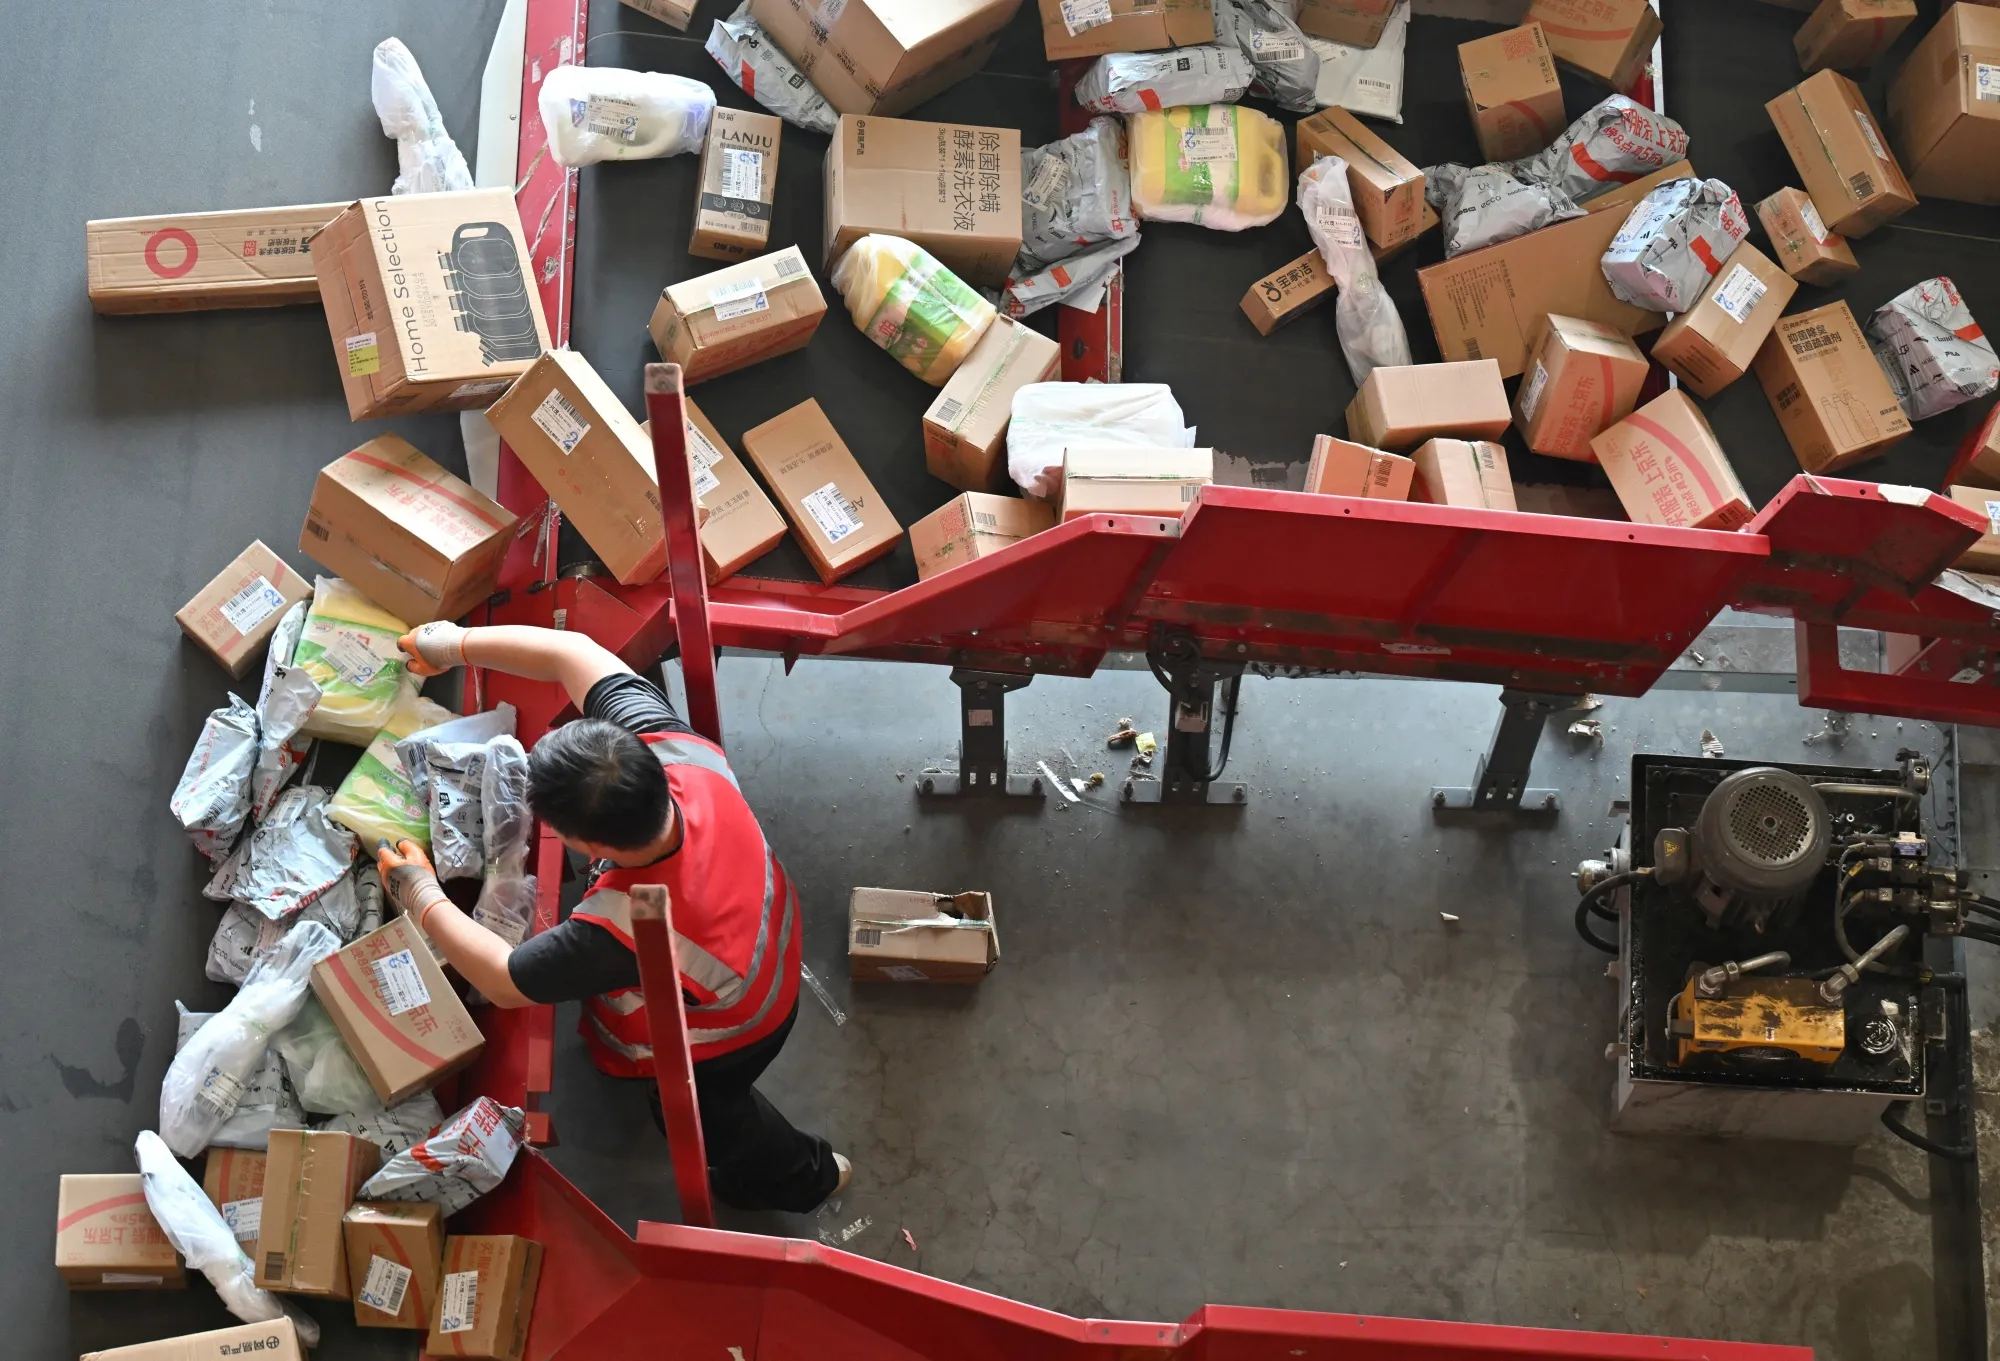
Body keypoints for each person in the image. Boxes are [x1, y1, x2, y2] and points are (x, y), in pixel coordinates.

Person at [376, 620, 848, 1213]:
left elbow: (502, 979)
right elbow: (571, 650)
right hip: (768, 932)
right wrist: (448, 644)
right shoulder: (672, 751)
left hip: (739, 1025)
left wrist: (419, 890)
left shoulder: (629, 924)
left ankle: (810, 1175)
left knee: (711, 1119)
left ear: (587, 844)